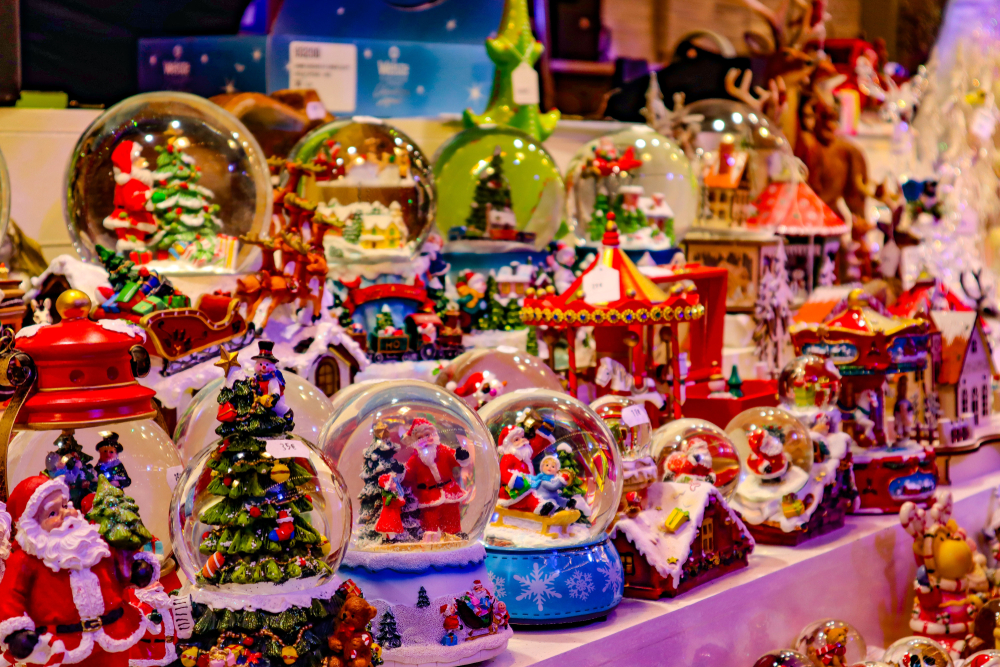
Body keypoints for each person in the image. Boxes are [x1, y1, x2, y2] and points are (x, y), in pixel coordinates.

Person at [0, 475, 157, 667]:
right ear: (31, 526)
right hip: (62, 648)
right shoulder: (26, 560)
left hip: (113, 636)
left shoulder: (91, 541)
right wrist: (17, 632)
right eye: (52, 513)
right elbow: (10, 596)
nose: (66, 514)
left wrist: (138, 570)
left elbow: (118, 566)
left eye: (65, 505)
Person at [401, 418, 471, 537]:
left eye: (427, 435)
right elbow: (408, 475)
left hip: (449, 491)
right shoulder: (415, 459)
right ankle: (430, 538)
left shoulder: (443, 450)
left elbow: (455, 458)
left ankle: (453, 534)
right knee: (430, 521)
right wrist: (400, 472)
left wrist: (461, 456)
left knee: (451, 516)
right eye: (419, 437)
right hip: (428, 496)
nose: (424, 439)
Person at [103, 140, 159, 254]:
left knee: (138, 240)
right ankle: (129, 257)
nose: (141, 159)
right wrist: (147, 197)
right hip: (130, 217)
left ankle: (137, 256)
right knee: (130, 240)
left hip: (139, 216)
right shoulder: (129, 182)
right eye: (137, 157)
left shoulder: (140, 180)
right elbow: (131, 202)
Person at [252, 341, 291, 420]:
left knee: (277, 407)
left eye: (267, 364)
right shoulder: (256, 378)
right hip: (260, 401)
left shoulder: (272, 380)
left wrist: (274, 396)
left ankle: (287, 413)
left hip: (271, 401)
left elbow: (275, 389)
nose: (263, 367)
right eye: (260, 364)